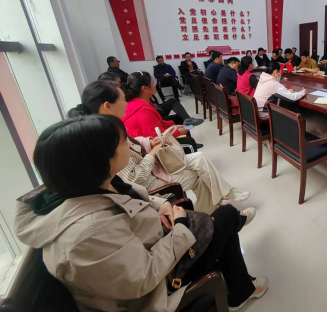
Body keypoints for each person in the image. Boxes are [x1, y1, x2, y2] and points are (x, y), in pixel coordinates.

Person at [15, 115, 268, 312]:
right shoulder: (88, 234)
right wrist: (180, 229)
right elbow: (144, 278)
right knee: (226, 217)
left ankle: (240, 286)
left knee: (222, 221)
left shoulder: (84, 187)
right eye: (122, 141)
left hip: (157, 244)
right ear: (100, 160)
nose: (129, 144)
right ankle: (240, 289)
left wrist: (161, 205)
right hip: (158, 288)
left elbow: (131, 198)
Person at [68, 81, 250, 214]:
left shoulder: (110, 125)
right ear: (107, 105)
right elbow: (134, 177)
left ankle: (220, 201)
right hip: (148, 181)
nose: (126, 103)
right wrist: (153, 152)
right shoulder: (107, 137)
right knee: (200, 176)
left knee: (199, 158)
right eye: (123, 99)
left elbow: (134, 143)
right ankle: (215, 209)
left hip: (151, 167)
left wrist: (149, 142)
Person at [121, 72, 203, 151]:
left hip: (149, 138)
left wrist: (174, 126)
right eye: (153, 83)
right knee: (190, 142)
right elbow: (155, 137)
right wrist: (177, 132)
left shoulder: (141, 101)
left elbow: (158, 124)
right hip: (145, 147)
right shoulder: (142, 110)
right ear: (144, 88)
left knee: (180, 122)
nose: (155, 85)